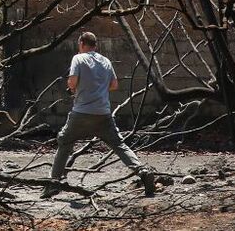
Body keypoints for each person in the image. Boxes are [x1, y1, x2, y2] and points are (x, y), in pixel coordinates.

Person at [42, 31, 156, 198]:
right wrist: (99, 89)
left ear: (81, 43)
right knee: (119, 145)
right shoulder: (106, 61)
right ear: (95, 45)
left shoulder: (78, 59)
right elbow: (114, 85)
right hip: (103, 113)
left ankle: (53, 184)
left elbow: (72, 82)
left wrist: (74, 88)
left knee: (64, 143)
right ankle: (143, 171)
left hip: (81, 113)